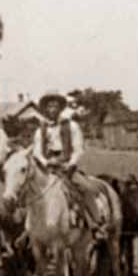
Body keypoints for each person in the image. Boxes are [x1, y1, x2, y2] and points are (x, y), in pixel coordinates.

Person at [32, 90, 103, 233]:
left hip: (66, 166)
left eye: (55, 106)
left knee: (85, 188)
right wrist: (46, 162)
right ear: (45, 108)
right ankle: (29, 230)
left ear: (60, 108)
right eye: (49, 106)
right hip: (47, 168)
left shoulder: (72, 126)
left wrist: (70, 163)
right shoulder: (41, 129)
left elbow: (78, 149)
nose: (52, 109)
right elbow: (37, 151)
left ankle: (95, 222)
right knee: (29, 191)